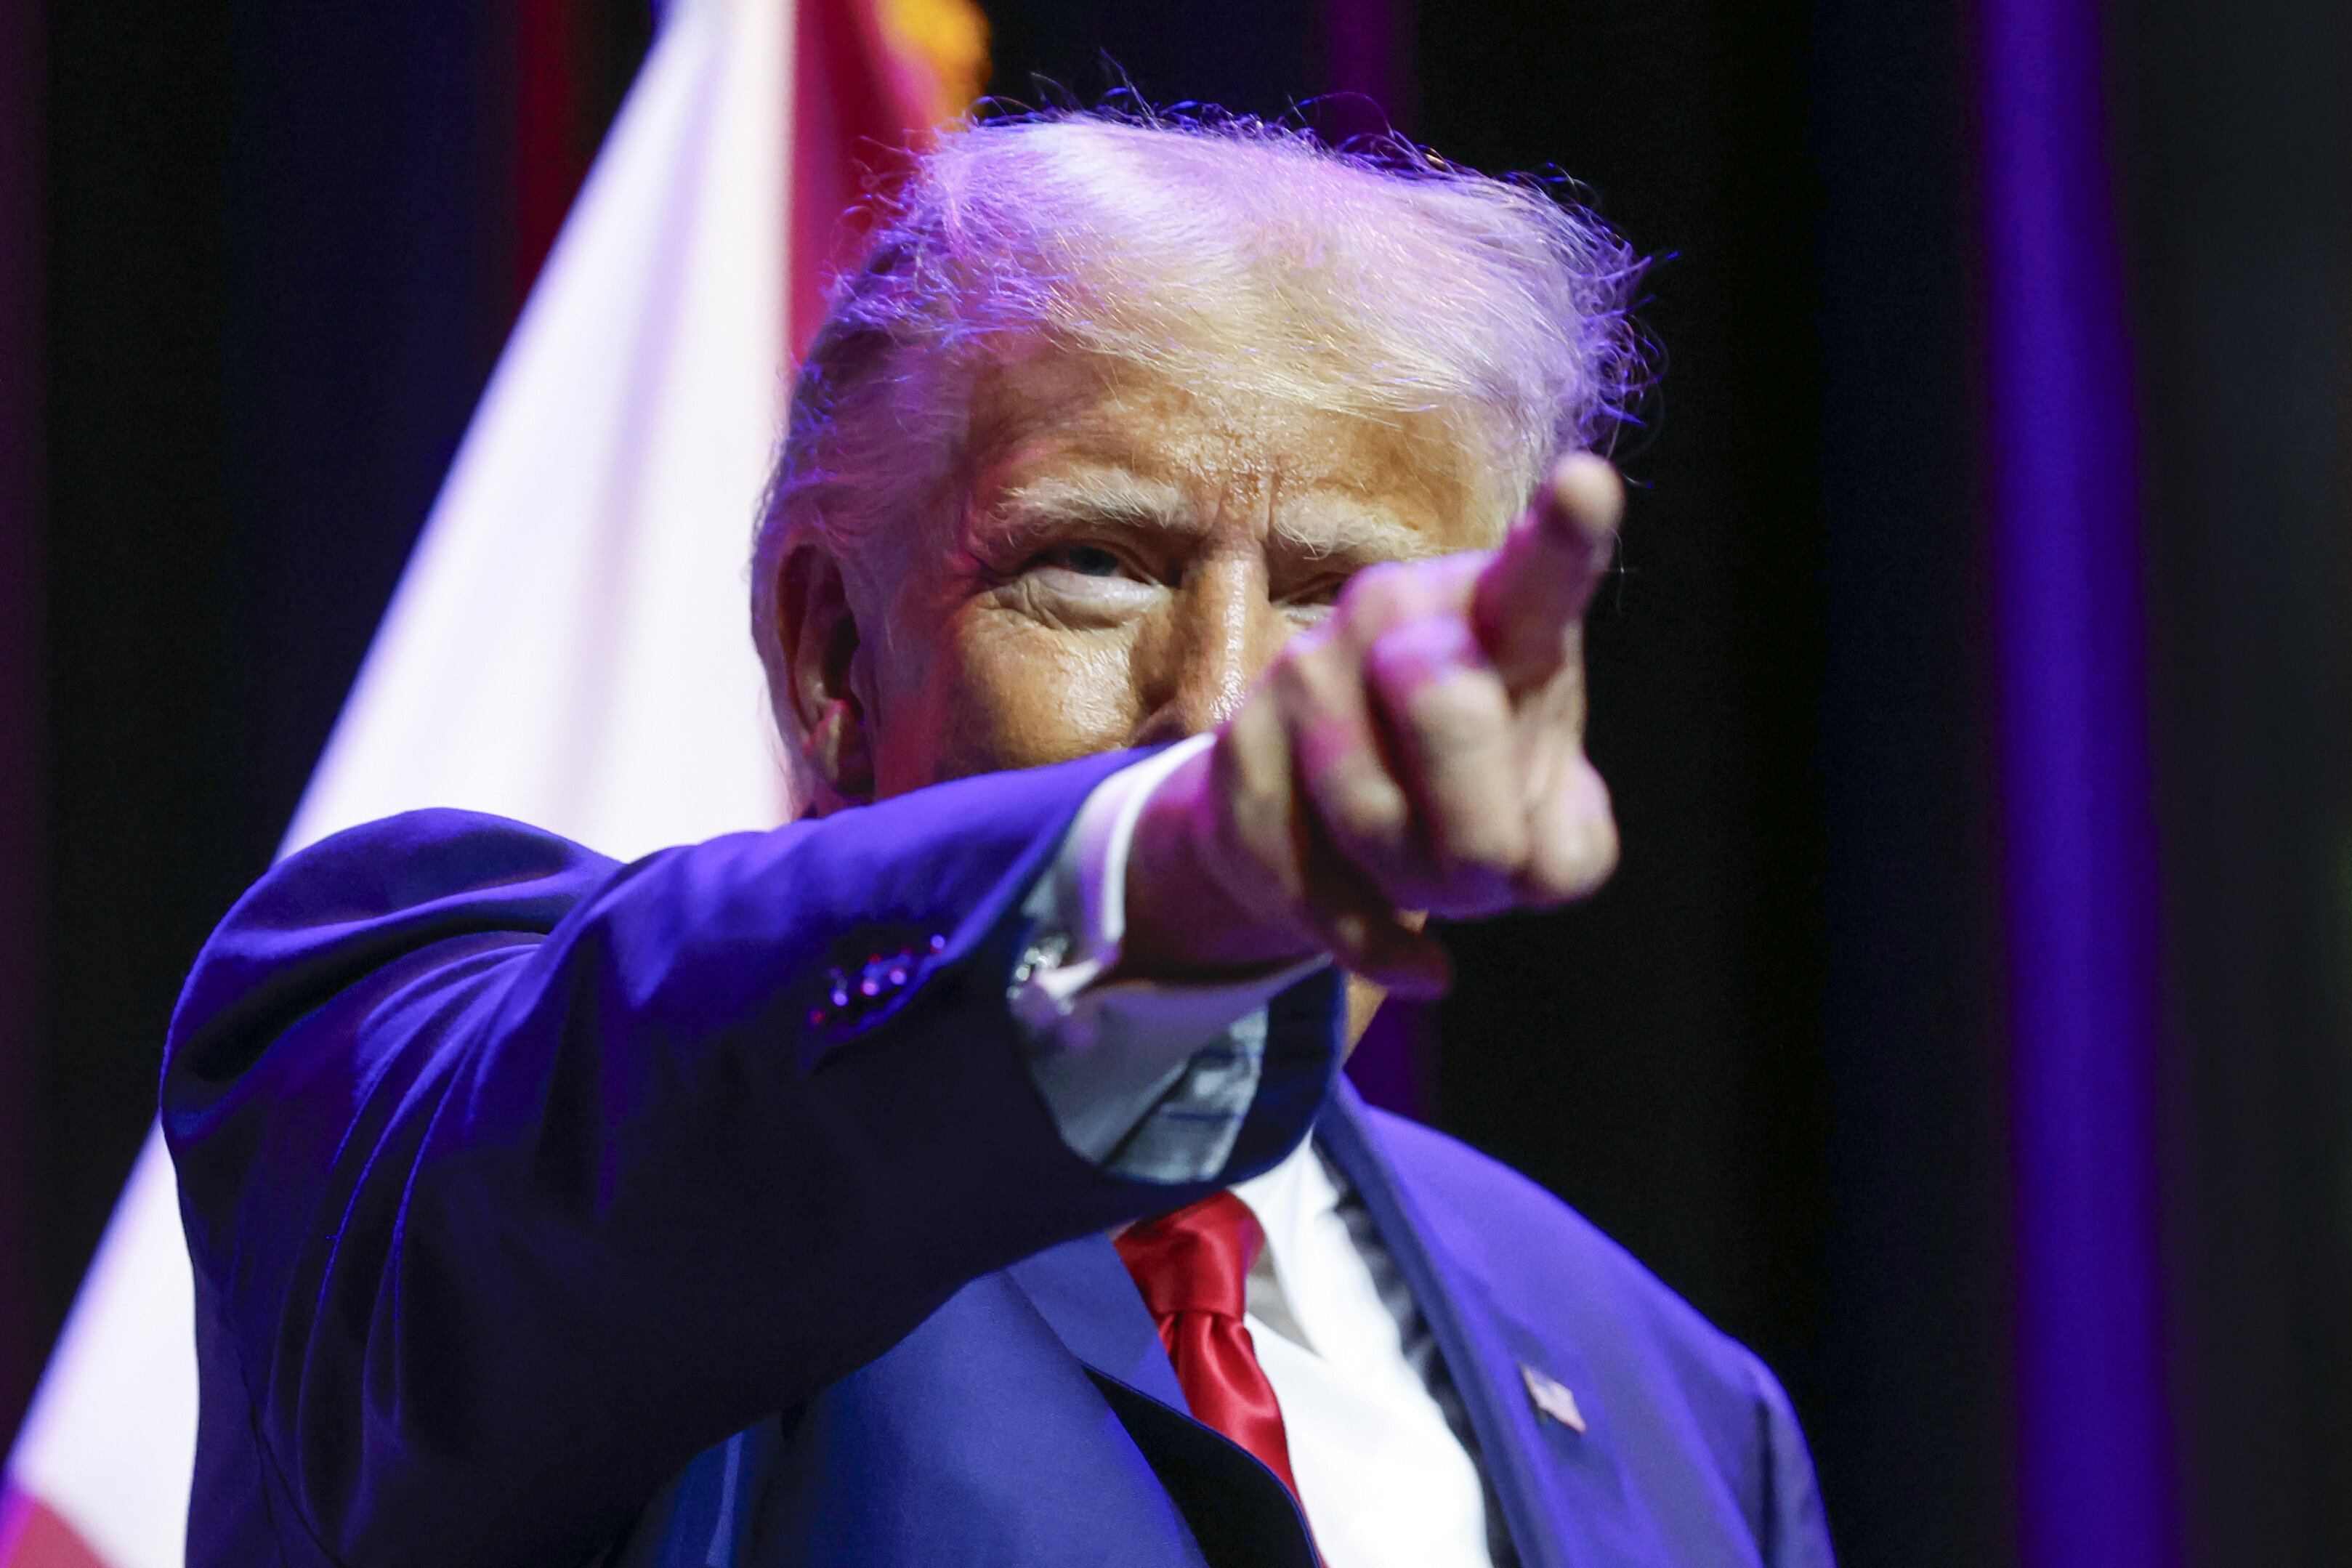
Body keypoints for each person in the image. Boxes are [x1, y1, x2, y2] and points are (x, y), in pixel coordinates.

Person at [163, 111, 1834, 1568]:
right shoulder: (428, 1085)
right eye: (1093, 564)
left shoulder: (1672, 1398)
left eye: (1345, 600)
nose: (1220, 705)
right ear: (828, 655)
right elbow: (567, 1157)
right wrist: (1160, 886)